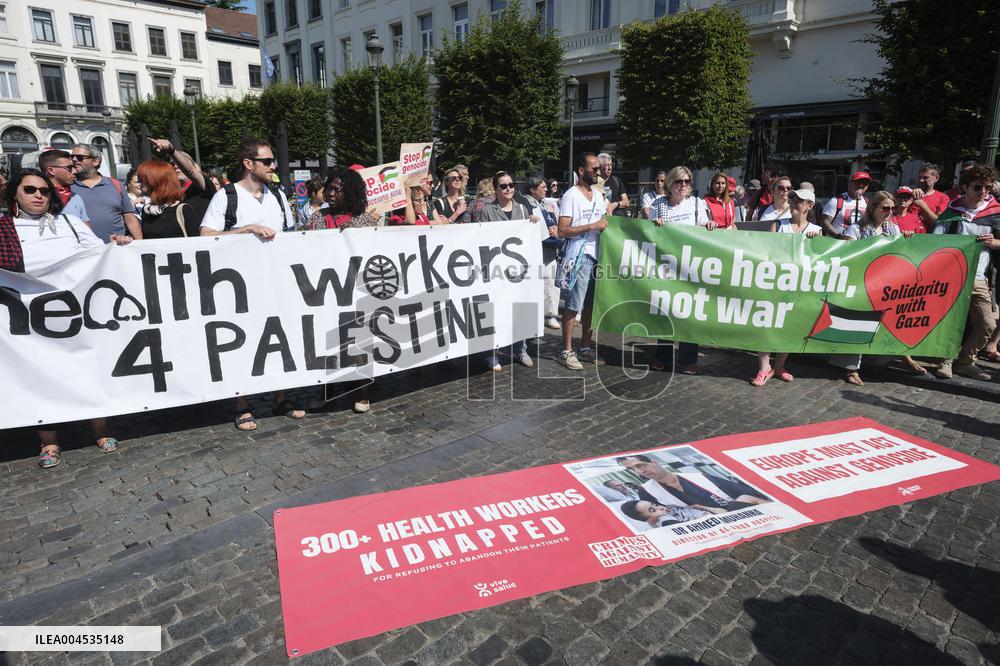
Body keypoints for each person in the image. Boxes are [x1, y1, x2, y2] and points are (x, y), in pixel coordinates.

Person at [7, 168, 129, 468]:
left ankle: (99, 429)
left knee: (87, 368)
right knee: (38, 377)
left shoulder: (71, 224)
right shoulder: (4, 229)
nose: (38, 195)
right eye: (30, 190)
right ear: (14, 194)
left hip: (76, 313)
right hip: (29, 318)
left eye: (45, 191)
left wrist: (117, 245)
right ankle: (49, 441)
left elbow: (99, 258)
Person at [200, 137, 302, 430]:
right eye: (267, 161)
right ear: (249, 164)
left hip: (276, 282)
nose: (273, 166)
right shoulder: (227, 197)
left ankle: (281, 397)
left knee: (281, 339)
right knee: (240, 342)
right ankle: (242, 404)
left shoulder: (278, 196)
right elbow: (205, 235)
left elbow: (291, 236)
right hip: (238, 288)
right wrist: (245, 230)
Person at [932, 163, 999, 381]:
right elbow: (934, 244)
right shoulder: (951, 213)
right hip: (953, 277)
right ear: (965, 187)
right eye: (978, 187)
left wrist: (993, 242)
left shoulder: (995, 213)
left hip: (980, 277)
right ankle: (946, 360)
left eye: (988, 188)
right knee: (952, 321)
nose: (983, 193)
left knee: (987, 324)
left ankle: (966, 361)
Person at [648, 166, 716, 374]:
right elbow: (647, 230)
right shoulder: (658, 204)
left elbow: (704, 224)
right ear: (670, 183)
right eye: (679, 182)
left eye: (687, 182)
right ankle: (663, 357)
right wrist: (654, 224)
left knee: (688, 313)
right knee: (665, 310)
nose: (684, 186)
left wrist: (710, 224)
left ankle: (688, 360)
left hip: (690, 268)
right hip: (666, 266)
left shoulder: (696, 204)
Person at [753, 188, 820, 386]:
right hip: (776, 283)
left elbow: (820, 262)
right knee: (766, 324)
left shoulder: (816, 230)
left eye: (799, 200)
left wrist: (815, 244)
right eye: (792, 198)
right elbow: (767, 253)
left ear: (810, 206)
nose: (793, 202)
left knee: (788, 327)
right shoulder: (778, 225)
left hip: (799, 287)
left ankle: (780, 365)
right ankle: (764, 367)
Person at [480, 171, 540, 370]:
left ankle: (520, 349)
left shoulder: (523, 209)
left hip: (518, 270)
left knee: (519, 308)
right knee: (496, 311)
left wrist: (533, 223)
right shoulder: (488, 211)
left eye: (511, 185)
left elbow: (532, 237)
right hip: (497, 269)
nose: (508, 189)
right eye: (503, 186)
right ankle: (492, 353)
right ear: (495, 189)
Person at [556, 152, 608, 370]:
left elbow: (605, 222)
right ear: (581, 171)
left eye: (599, 168)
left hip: (599, 256)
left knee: (590, 306)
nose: (599, 172)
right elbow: (562, 230)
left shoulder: (597, 196)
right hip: (579, 256)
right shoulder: (571, 196)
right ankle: (566, 351)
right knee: (573, 305)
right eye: (594, 169)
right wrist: (592, 226)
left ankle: (585, 347)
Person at [616, 454, 770, 510]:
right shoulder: (645, 491)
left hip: (734, 509)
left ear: (654, 462)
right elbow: (663, 514)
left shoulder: (696, 475)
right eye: (632, 470)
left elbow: (736, 490)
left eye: (640, 465)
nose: (639, 471)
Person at [70, 143, 142, 242]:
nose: (74, 160)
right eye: (72, 157)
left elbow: (130, 219)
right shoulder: (68, 186)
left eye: (79, 157)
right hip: (84, 251)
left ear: (95, 161)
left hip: (116, 248)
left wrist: (139, 244)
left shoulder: (115, 184)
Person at [148, 138, 218, 230]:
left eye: (179, 163)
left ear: (193, 166)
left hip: (204, 240)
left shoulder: (202, 186)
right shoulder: (170, 193)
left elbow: (190, 171)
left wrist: (171, 151)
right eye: (173, 164)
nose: (176, 166)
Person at [524, 175, 563, 330]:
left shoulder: (545, 205)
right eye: (543, 187)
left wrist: (555, 229)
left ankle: (550, 315)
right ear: (533, 190)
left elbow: (552, 222)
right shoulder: (526, 204)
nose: (547, 189)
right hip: (536, 248)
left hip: (549, 249)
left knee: (551, 281)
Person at [133, 161, 201, 239]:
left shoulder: (185, 211)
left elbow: (199, 244)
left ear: (156, 180)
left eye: (141, 178)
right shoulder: (147, 211)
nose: (139, 182)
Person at [305, 170, 379, 230]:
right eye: (329, 188)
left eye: (337, 190)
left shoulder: (365, 220)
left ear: (350, 193)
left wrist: (356, 230)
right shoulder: (316, 217)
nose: (331, 193)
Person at [37, 149, 90, 224]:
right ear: (51, 170)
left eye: (74, 167)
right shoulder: (37, 197)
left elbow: (87, 227)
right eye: (69, 168)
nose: (74, 171)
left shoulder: (75, 197)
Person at [819, 170, 871, 239]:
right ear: (849, 183)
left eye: (865, 183)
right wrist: (839, 236)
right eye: (858, 182)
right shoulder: (836, 201)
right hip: (837, 245)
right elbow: (824, 222)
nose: (861, 185)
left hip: (858, 246)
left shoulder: (868, 203)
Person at [620, 499, 724, 528]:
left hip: (713, 512)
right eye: (653, 510)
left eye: (654, 504)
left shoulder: (669, 508)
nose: (659, 507)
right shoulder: (662, 519)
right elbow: (675, 527)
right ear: (650, 519)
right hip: (718, 519)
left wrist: (699, 506)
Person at [911, 163, 951, 232]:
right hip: (908, 238)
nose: (921, 180)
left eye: (925, 177)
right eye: (920, 177)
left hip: (928, 239)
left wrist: (922, 205)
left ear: (936, 178)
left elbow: (939, 223)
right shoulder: (909, 194)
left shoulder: (943, 198)